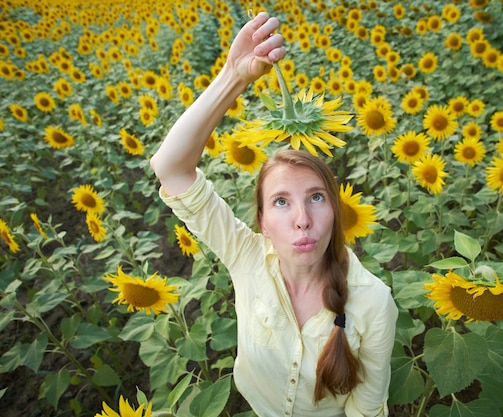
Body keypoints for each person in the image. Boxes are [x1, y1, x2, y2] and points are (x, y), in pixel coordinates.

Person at [150, 12, 398, 417]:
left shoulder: (373, 303)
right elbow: (171, 167)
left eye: (316, 198)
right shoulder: (247, 256)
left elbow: (367, 409)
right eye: (281, 201)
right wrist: (235, 75)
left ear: (337, 211)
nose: (302, 219)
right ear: (262, 221)